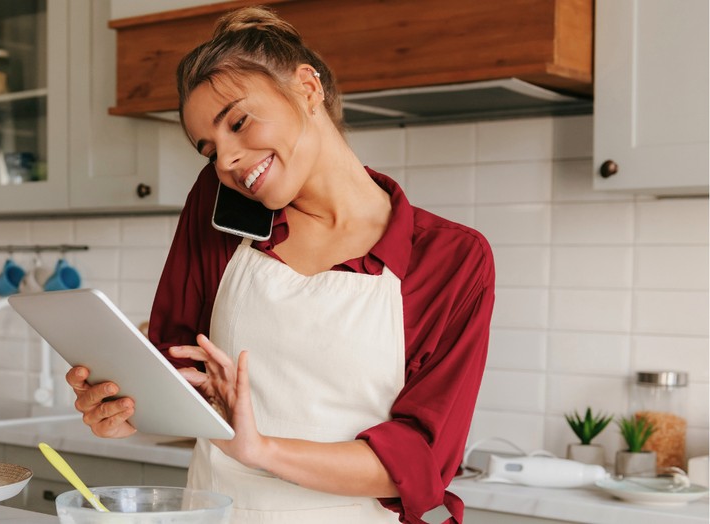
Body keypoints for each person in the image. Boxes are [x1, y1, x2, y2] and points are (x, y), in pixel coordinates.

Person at [65, 6, 494, 523]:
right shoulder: (218, 210)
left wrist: (261, 448)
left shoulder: (450, 258)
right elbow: (176, 373)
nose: (226, 161)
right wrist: (125, 411)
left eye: (239, 123)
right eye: (209, 150)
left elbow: (418, 460)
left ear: (308, 88)